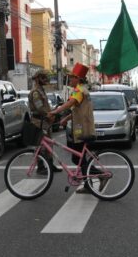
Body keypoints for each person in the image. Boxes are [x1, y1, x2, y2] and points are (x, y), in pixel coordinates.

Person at [48, 63, 95, 193]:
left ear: (78, 79)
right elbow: (77, 110)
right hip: (82, 127)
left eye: (72, 77)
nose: (70, 80)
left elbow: (70, 104)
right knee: (80, 158)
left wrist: (55, 112)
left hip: (83, 129)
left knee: (77, 158)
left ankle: (98, 176)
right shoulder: (81, 90)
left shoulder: (79, 91)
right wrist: (65, 119)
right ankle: (88, 184)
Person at [28, 69, 59, 172]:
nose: (46, 79)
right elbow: (39, 108)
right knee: (41, 145)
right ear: (37, 79)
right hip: (39, 122)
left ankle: (50, 165)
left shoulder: (41, 90)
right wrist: (49, 115)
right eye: (43, 77)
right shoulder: (36, 92)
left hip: (45, 121)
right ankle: (41, 167)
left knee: (49, 144)